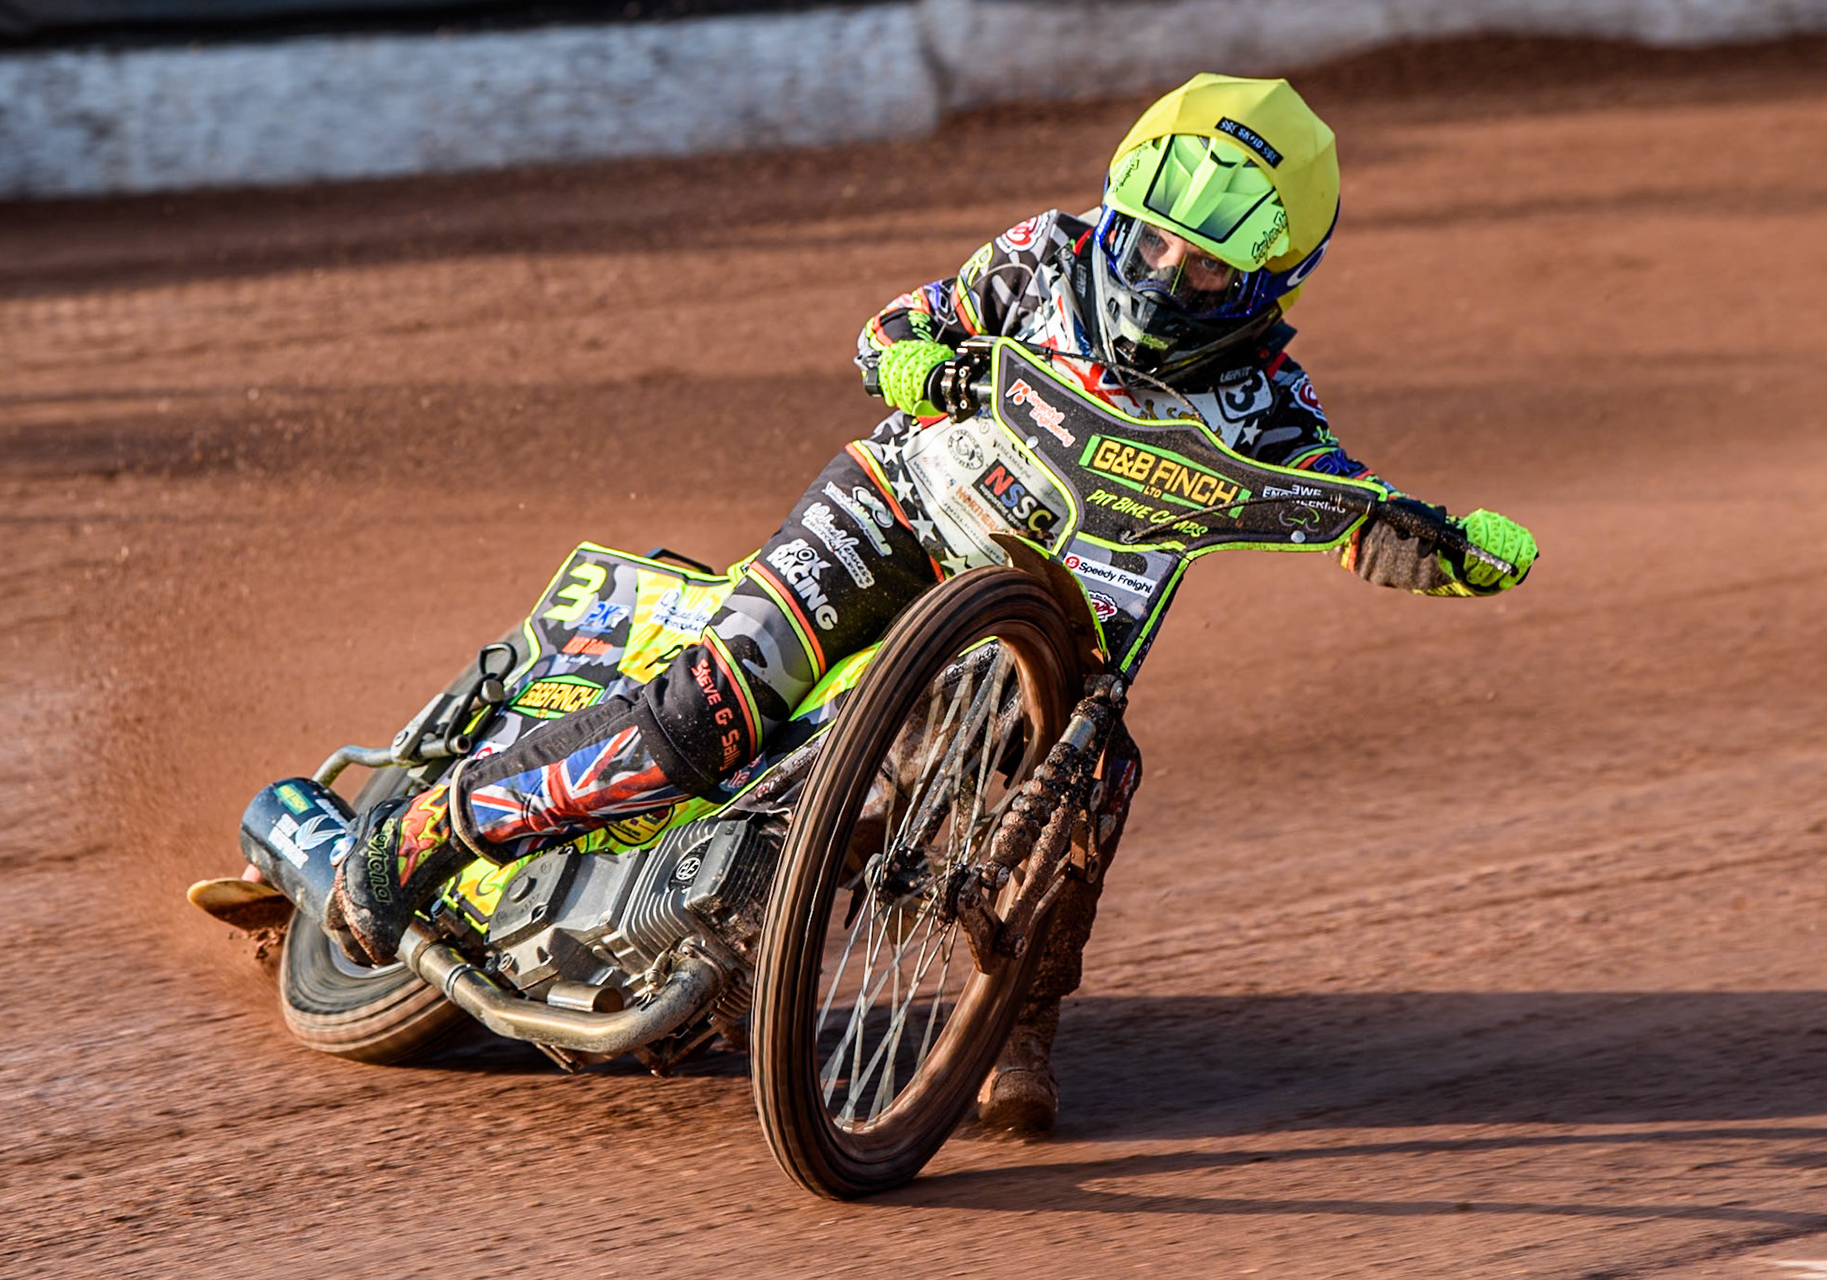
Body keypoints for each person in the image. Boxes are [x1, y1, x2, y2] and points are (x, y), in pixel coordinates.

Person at [327, 72, 1537, 1133]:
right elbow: (893, 328)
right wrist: (912, 359)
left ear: (1273, 281)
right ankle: (429, 831)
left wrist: (1442, 548)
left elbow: (1345, 510)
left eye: (1208, 265)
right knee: (708, 714)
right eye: (1149, 240)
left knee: (1097, 783)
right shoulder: (1044, 252)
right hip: (897, 511)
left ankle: (1017, 1024)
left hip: (1061, 630)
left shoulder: (1273, 402)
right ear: (1117, 207)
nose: (1165, 276)